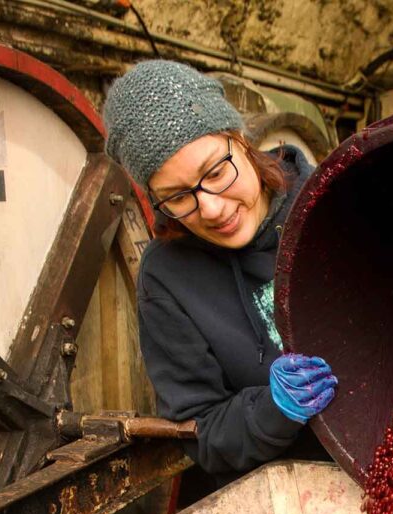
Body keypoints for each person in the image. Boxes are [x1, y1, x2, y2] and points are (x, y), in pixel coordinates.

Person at [103, 60, 337, 481]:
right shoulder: (167, 279)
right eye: (176, 197)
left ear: (241, 139)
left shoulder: (331, 202)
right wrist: (271, 410)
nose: (210, 209)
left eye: (214, 171)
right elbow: (200, 429)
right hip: (290, 495)